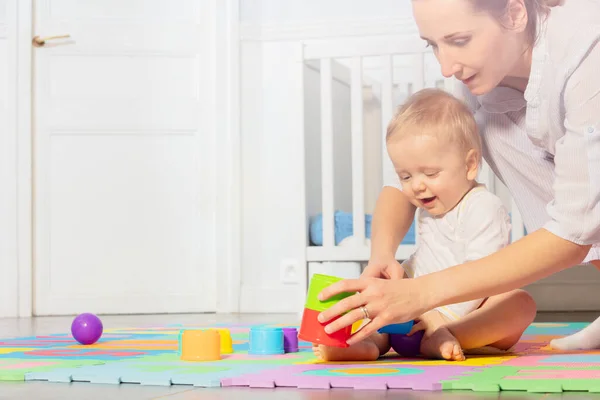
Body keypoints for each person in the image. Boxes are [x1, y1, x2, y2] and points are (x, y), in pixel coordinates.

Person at [315, 0, 600, 353]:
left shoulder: (587, 48)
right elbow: (403, 179)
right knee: (485, 127)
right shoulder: (477, 78)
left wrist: (422, 295)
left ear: (515, 13)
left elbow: (575, 228)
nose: (446, 67)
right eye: (432, 45)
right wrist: (381, 255)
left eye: (459, 40)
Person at [313, 88, 536, 362]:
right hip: (410, 307)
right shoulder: (429, 202)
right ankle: (364, 343)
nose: (417, 186)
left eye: (430, 173)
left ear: (470, 165)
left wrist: (440, 318)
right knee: (373, 297)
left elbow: (482, 278)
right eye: (405, 176)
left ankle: (446, 335)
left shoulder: (484, 207)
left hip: (457, 311)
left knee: (519, 303)